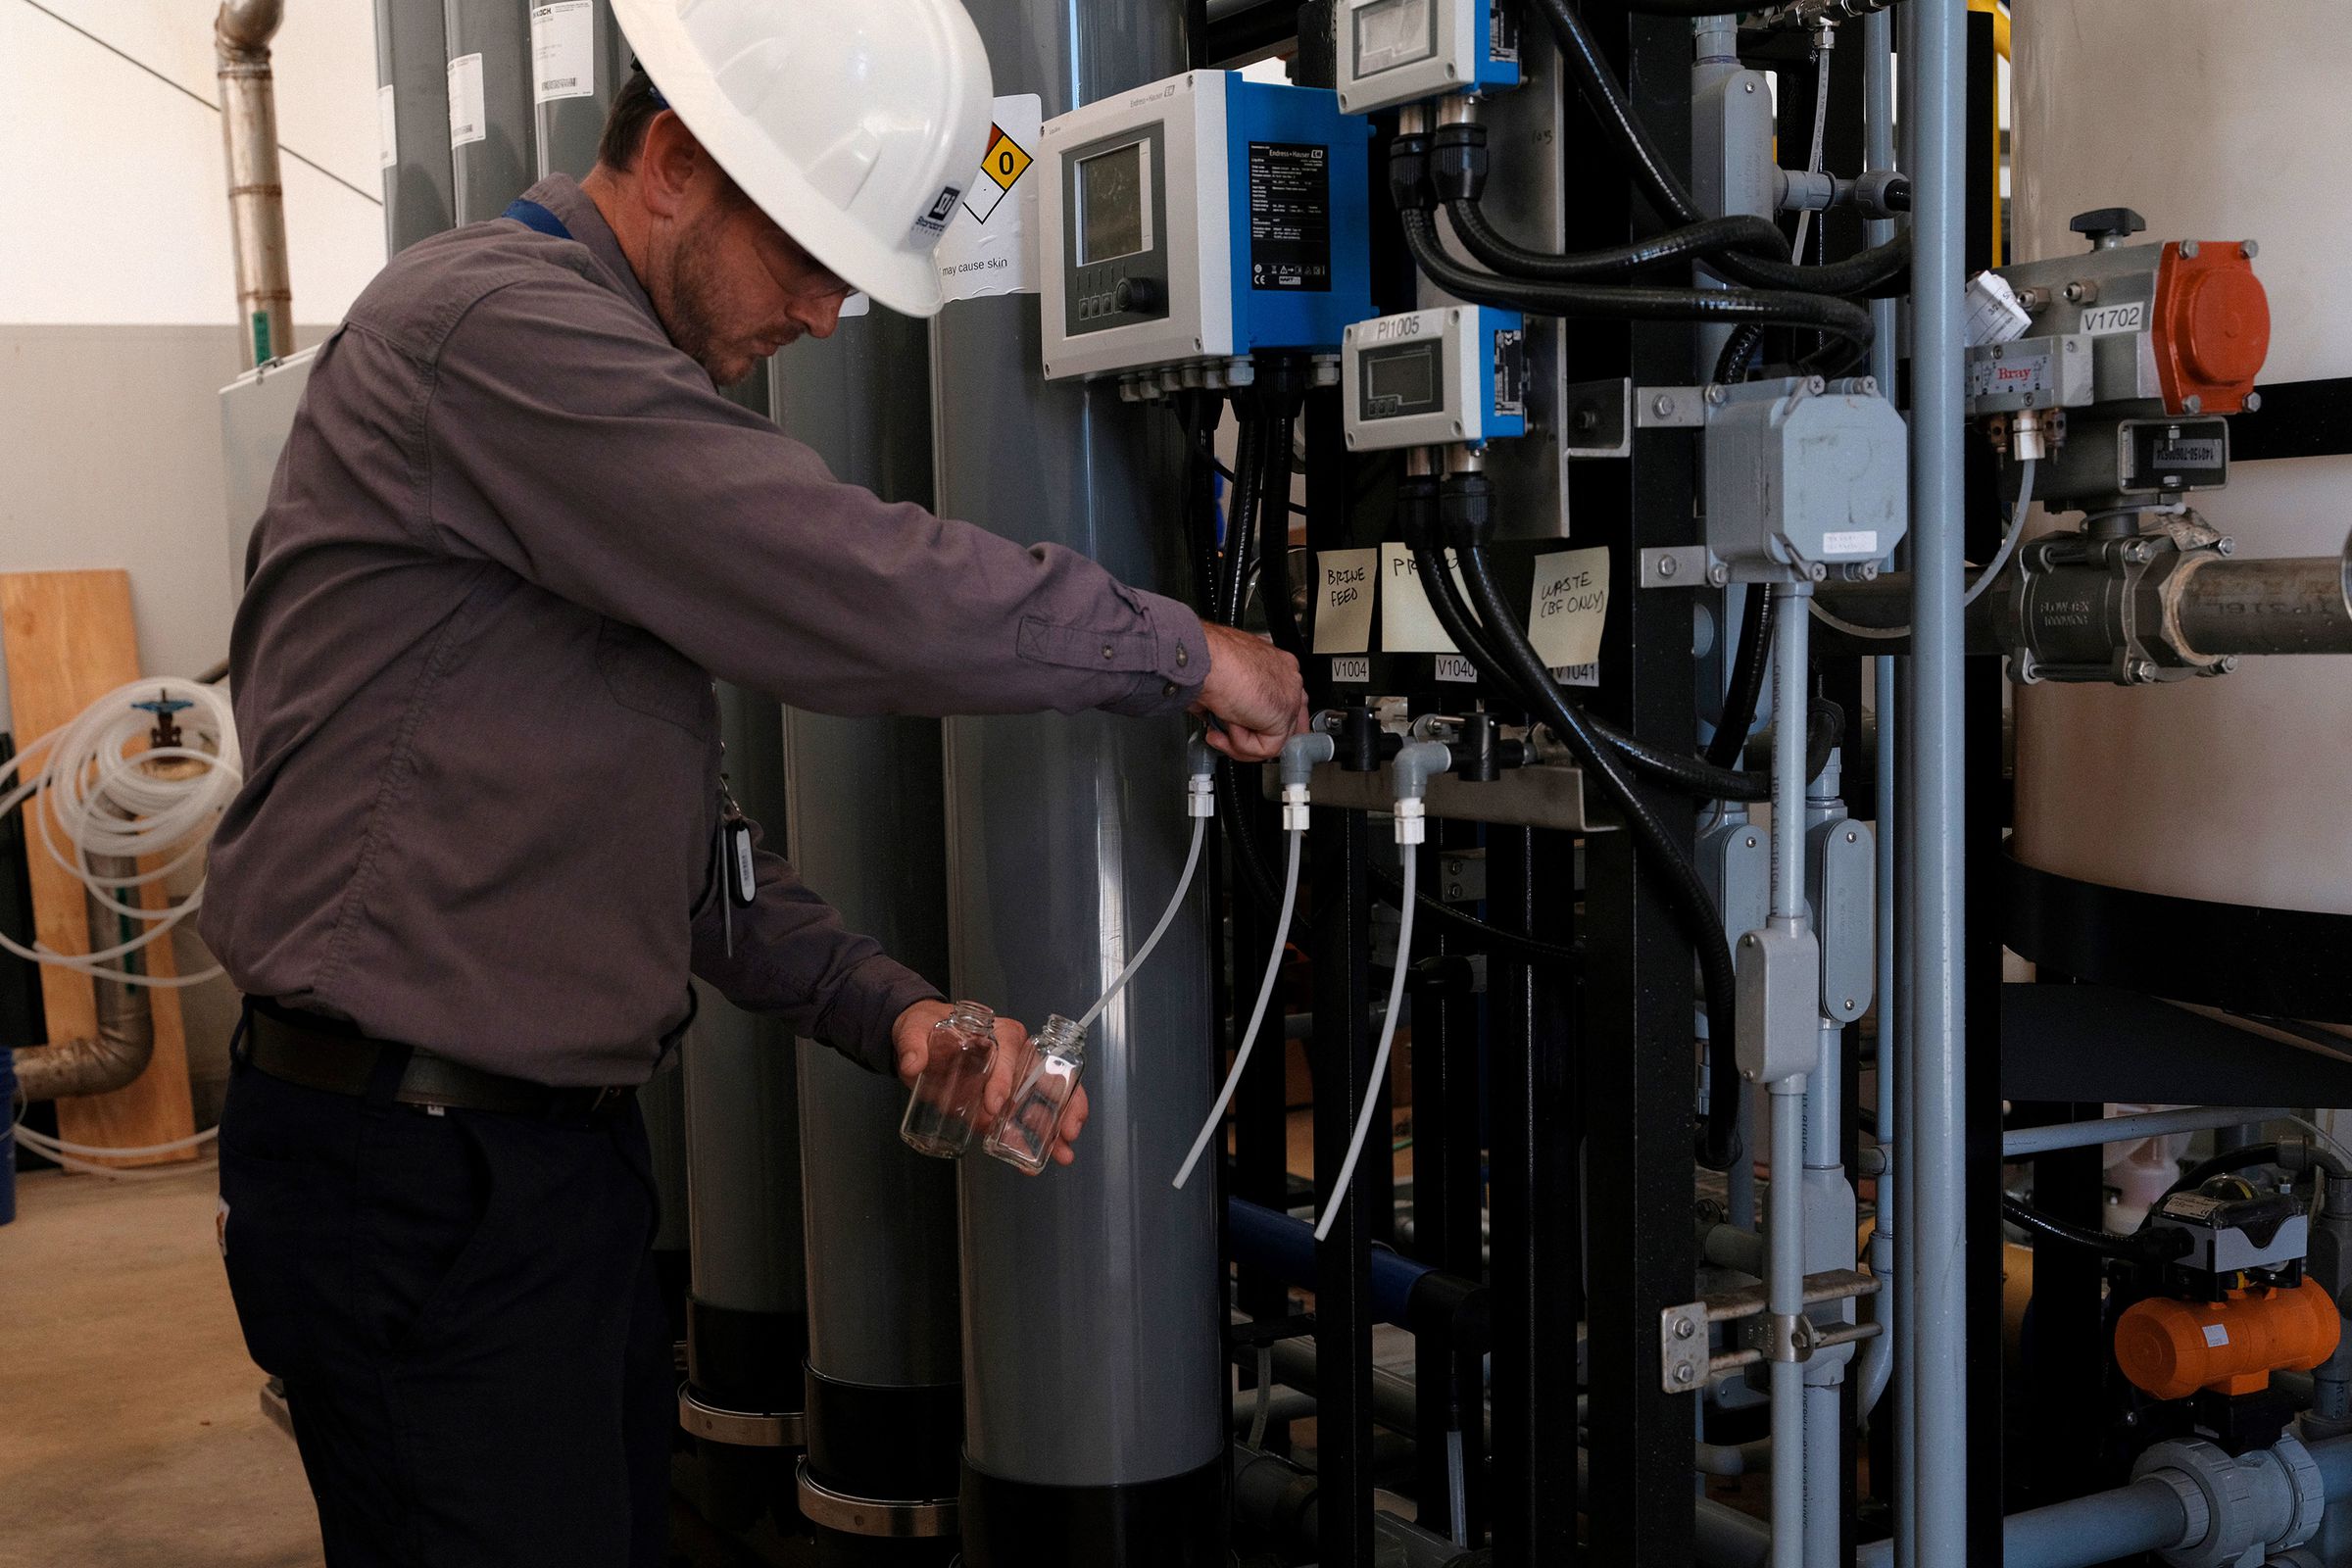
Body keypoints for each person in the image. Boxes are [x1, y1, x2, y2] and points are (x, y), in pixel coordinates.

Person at [200, 2, 1305, 1562]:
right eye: (811, 257)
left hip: (529, 1172)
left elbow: (676, 840)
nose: (831, 315)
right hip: (419, 1179)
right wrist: (1181, 648)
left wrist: (887, 1008)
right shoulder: (500, 328)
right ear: (671, 162)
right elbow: (850, 585)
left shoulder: (583, 416)